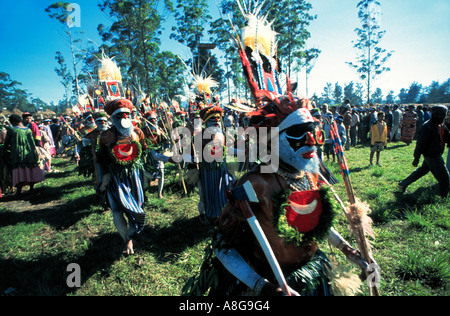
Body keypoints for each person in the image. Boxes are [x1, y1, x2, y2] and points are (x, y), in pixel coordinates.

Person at [98, 99, 149, 255]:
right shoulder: (106, 136)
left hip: (135, 175)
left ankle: (133, 230)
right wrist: (103, 178)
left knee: (137, 205)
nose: (123, 119)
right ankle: (126, 240)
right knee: (117, 209)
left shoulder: (138, 132)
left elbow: (145, 152)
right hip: (115, 177)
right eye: (119, 116)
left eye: (126, 115)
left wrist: (146, 172)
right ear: (113, 119)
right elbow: (101, 159)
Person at [398, 105, 450, 198]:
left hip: (435, 154)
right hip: (432, 155)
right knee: (445, 178)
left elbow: (447, 137)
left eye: (442, 114)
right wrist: (416, 158)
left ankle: (403, 183)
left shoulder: (441, 125)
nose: (440, 116)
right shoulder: (427, 127)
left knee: (422, 171)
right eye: (437, 114)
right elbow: (420, 144)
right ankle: (443, 196)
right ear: (433, 114)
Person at [3, 114, 45, 195]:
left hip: (18, 154)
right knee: (29, 169)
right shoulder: (28, 130)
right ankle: (31, 188)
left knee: (19, 171)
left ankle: (19, 191)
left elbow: (6, 142)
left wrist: (5, 150)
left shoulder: (12, 130)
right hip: (29, 153)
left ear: (13, 122)